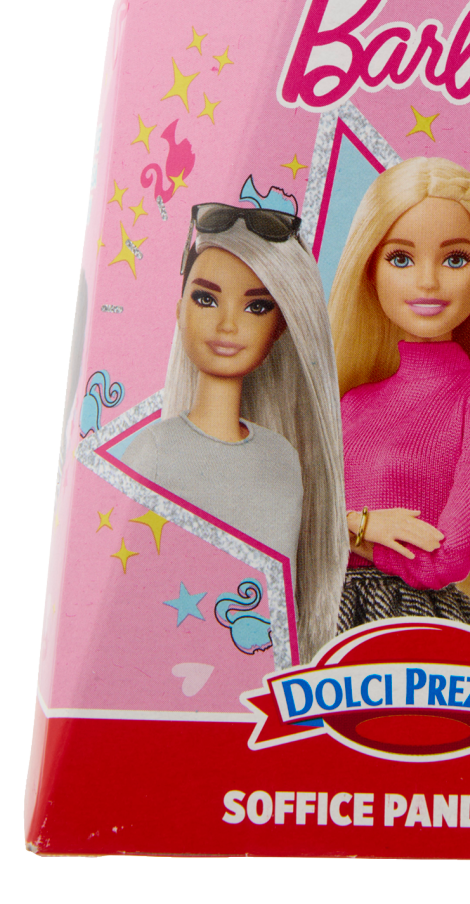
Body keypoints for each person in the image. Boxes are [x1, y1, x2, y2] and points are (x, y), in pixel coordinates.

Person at [120, 203, 348, 660]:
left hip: (265, 678)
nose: (228, 325)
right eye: (206, 299)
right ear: (179, 309)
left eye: (256, 306)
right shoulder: (153, 454)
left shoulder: (283, 458)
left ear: (281, 326)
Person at [327, 158, 470, 631]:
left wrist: (349, 529)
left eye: (455, 259)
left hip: (416, 618)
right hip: (325, 609)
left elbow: (446, 556)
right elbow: (297, 526)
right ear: (369, 270)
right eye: (401, 258)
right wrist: (362, 526)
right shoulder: (349, 404)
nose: (427, 282)